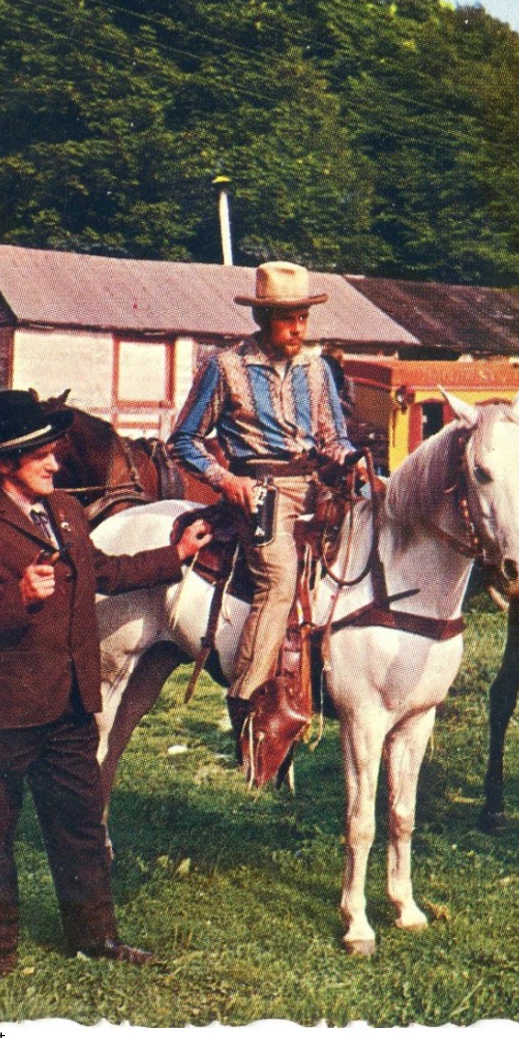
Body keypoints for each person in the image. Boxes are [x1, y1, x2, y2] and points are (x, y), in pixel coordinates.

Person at [0, 389, 212, 981]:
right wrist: (16, 597)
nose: (57, 465)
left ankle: (95, 937)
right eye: (42, 457)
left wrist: (175, 555)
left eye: (55, 454)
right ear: (5, 463)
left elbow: (104, 573)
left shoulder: (67, 514)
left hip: (69, 702)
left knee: (80, 824)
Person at [168, 261, 358, 754]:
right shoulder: (224, 367)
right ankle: (247, 703)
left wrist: (350, 458)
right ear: (263, 317)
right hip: (260, 492)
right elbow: (184, 440)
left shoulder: (316, 368)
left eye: (303, 318)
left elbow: (333, 436)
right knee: (277, 581)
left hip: (316, 485)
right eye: (288, 318)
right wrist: (226, 480)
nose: (298, 328)